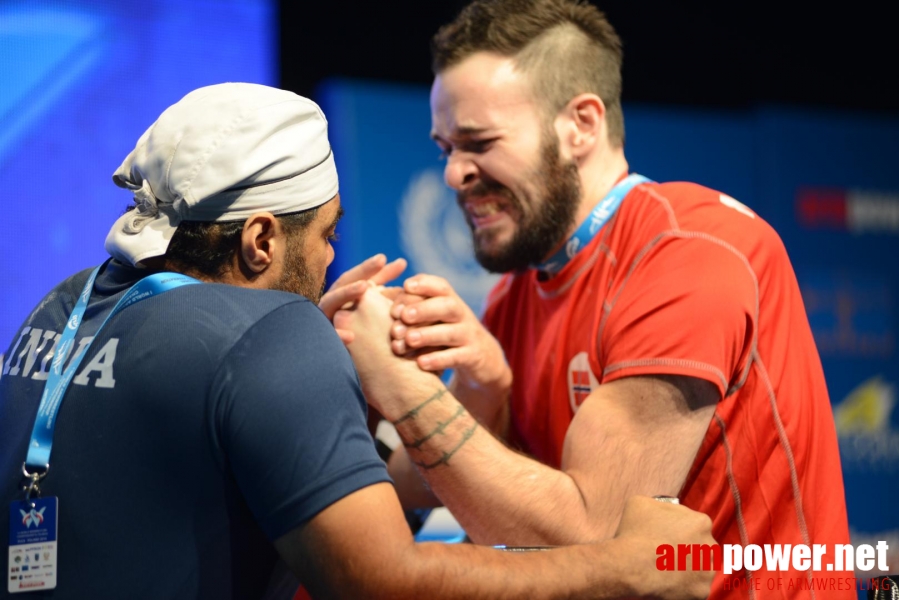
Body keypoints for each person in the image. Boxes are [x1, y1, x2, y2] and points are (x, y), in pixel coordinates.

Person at [0, 83, 715, 599]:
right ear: (259, 241)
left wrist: (469, 392)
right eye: (326, 235)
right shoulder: (274, 337)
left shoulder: (57, 308)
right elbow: (378, 578)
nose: (329, 265)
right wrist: (625, 567)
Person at [328, 0, 853, 597]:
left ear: (581, 124)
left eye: (479, 142)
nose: (453, 174)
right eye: (447, 148)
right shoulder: (515, 294)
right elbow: (448, 494)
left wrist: (406, 389)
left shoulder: (692, 252)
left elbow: (595, 540)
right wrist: (482, 391)